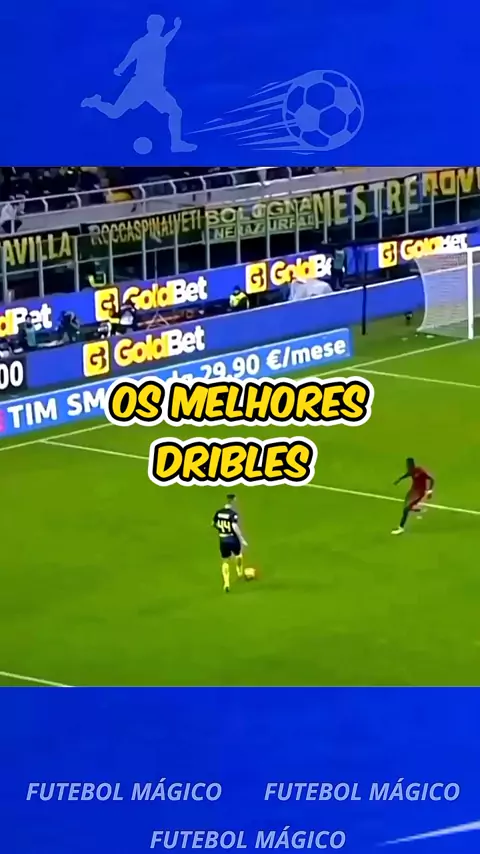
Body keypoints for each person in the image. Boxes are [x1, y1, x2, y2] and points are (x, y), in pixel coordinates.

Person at [81, 16, 196, 154]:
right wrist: (120, 69)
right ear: (150, 26)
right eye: (155, 25)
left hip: (155, 89)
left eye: (159, 25)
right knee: (114, 113)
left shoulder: (160, 41)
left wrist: (176, 28)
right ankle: (95, 102)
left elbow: (168, 38)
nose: (157, 28)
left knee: (175, 111)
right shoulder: (141, 43)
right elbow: (129, 58)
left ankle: (176, 144)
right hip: (138, 86)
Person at [212, 494, 248, 592]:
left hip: (222, 539)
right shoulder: (233, 514)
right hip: (232, 538)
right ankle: (239, 572)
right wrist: (241, 538)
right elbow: (234, 526)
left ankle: (226, 583)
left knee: (225, 561)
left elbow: (213, 524)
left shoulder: (218, 513)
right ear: (232, 502)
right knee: (238, 555)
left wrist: (221, 529)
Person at [392, 458, 434, 535]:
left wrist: (430, 491)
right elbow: (407, 474)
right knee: (406, 506)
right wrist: (399, 480)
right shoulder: (411, 471)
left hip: (419, 492)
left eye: (408, 465)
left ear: (412, 465)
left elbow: (431, 479)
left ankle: (401, 528)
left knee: (406, 509)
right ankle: (418, 510)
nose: (407, 466)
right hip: (412, 491)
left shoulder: (420, 471)